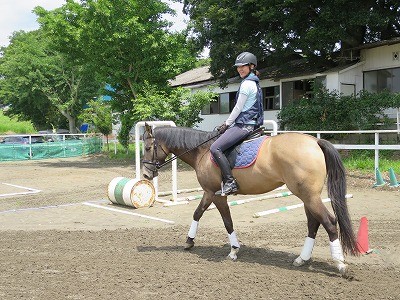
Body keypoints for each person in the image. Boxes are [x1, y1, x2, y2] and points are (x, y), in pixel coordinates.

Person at [210, 51, 264, 196]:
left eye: (243, 66)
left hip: (244, 125)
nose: (240, 69)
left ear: (251, 66)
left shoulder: (247, 84)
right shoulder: (254, 83)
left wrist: (226, 124)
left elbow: (238, 108)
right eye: (238, 67)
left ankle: (230, 182)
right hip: (250, 123)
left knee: (215, 148)